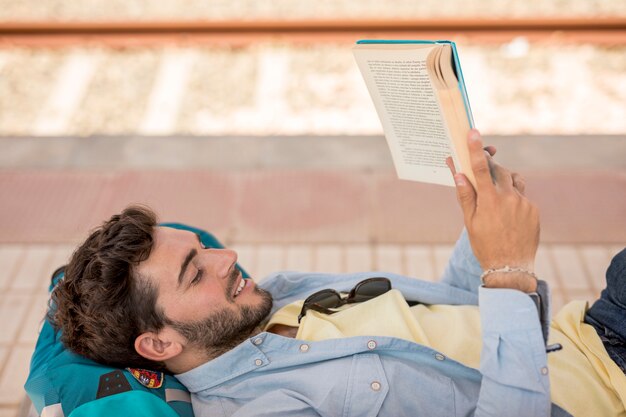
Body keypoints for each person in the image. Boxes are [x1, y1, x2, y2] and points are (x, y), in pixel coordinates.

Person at [49, 130, 625, 417]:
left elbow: (452, 309)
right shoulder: (269, 408)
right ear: (158, 341)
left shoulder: (278, 296)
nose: (227, 259)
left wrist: (483, 224)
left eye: (205, 246)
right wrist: (507, 272)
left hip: (585, 334)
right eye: (195, 271)